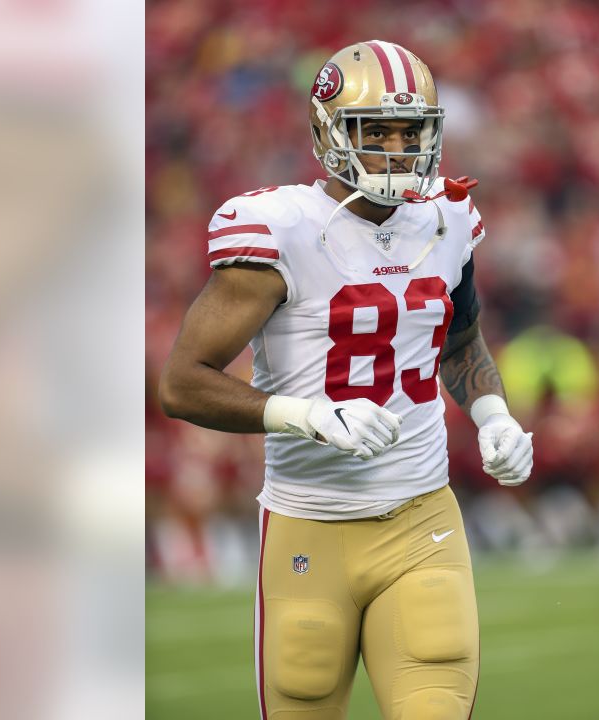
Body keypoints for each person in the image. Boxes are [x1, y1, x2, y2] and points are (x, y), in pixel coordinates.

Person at [159, 39, 534, 720]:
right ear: (328, 134)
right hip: (310, 522)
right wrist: (302, 415)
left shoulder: (447, 219)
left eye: (411, 128)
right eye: (376, 130)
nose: (397, 147)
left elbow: (460, 337)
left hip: (423, 517)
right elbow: (182, 383)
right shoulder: (281, 230)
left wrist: (491, 415)